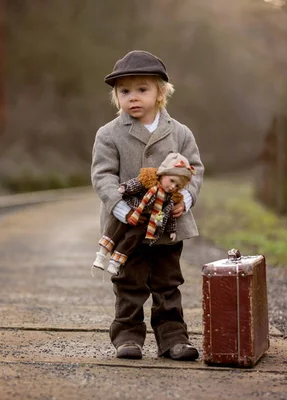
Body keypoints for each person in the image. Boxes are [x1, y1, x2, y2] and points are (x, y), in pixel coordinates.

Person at [91, 50, 204, 361]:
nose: (133, 97)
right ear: (116, 97)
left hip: (168, 225)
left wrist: (187, 199)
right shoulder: (109, 134)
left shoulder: (180, 133)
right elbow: (102, 175)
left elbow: (195, 168)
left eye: (142, 89)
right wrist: (119, 207)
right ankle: (128, 336)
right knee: (128, 281)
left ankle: (173, 338)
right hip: (127, 225)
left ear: (160, 93)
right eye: (124, 91)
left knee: (168, 282)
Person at [93, 152, 195, 276]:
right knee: (115, 231)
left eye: (177, 186)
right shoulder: (149, 180)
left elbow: (168, 214)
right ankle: (101, 255)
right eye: (172, 181)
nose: (173, 187)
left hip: (146, 221)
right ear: (163, 173)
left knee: (132, 239)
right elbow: (136, 184)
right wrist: (125, 188)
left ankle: (115, 263)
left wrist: (172, 230)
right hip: (131, 208)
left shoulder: (169, 198)